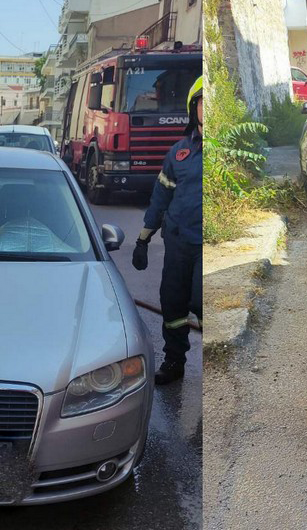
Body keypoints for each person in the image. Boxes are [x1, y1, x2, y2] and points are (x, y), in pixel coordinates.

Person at [133, 76, 202, 385]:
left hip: (205, 247)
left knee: (200, 301)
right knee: (172, 305)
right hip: (177, 244)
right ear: (193, 108)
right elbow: (160, 199)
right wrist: (142, 240)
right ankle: (174, 362)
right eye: (202, 103)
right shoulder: (178, 153)